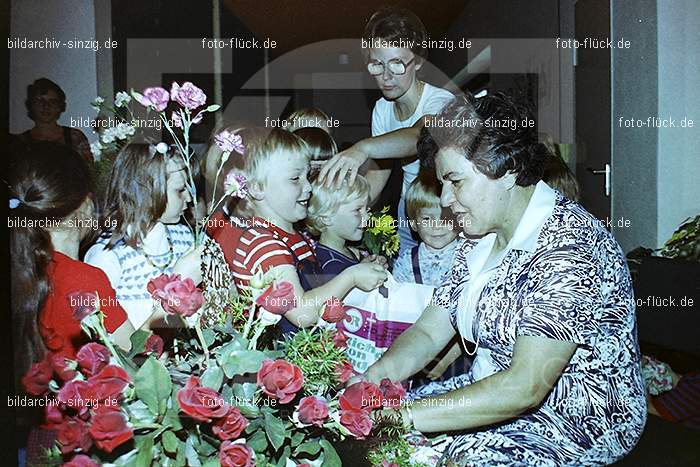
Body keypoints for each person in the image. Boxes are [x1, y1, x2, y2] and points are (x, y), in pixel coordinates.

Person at [356, 93, 646, 465]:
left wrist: (403, 416)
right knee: (372, 440)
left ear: (507, 169)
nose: (445, 199)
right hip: (493, 390)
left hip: (574, 419)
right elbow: (430, 331)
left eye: (455, 181)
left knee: (430, 452)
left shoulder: (570, 245)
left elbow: (524, 387)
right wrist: (372, 380)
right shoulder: (478, 235)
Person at [9, 143, 134, 466]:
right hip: (82, 443)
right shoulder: (83, 279)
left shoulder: (23, 269)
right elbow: (134, 360)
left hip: (38, 438)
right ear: (85, 206)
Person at [210, 128, 387, 333]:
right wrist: (352, 276)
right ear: (257, 187)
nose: (309, 187)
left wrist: (359, 268)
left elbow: (319, 289)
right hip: (281, 356)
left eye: (307, 175)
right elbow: (301, 313)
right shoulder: (263, 244)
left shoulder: (294, 236)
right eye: (295, 178)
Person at [319, 7, 455, 257]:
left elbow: (419, 137)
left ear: (418, 61)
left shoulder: (440, 102)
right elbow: (378, 174)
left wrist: (362, 148)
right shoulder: (382, 109)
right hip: (407, 207)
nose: (386, 76)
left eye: (397, 64)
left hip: (440, 210)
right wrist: (338, 208)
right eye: (377, 65)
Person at [85, 143, 202, 330]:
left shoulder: (184, 237)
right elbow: (110, 339)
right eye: (180, 190)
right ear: (146, 192)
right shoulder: (109, 256)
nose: (189, 198)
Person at [392, 177, 459, 286]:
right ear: (414, 223)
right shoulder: (407, 262)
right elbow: (396, 296)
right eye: (427, 219)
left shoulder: (470, 254)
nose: (437, 226)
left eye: (445, 217)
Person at [305, 175, 372, 284]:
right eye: (357, 210)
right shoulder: (331, 265)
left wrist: (364, 266)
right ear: (326, 218)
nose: (367, 217)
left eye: (367, 209)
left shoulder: (343, 250)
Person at [15, 78, 93, 163]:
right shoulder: (20, 142)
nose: (46, 106)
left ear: (60, 107)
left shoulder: (74, 137)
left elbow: (88, 171)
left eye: (52, 102)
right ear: (31, 105)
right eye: (40, 101)